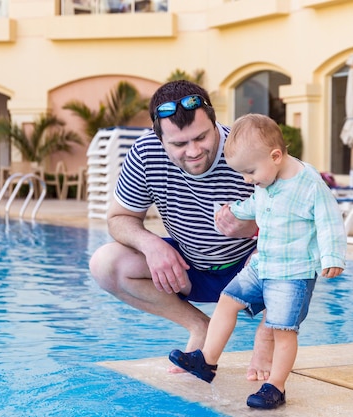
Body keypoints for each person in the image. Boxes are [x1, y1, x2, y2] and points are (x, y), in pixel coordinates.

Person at [88, 80, 275, 380]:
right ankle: (199, 327)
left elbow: (302, 218)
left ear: (215, 123)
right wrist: (151, 244)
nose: (194, 151)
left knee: (295, 256)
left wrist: (256, 231)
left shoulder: (246, 148)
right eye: (179, 144)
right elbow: (119, 218)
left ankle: (266, 338)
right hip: (191, 268)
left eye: (201, 137)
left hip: (253, 269)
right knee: (105, 264)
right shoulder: (146, 154)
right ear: (159, 139)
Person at [169, 113, 346, 409]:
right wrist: (235, 211)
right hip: (262, 264)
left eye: (250, 172)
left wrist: (332, 256)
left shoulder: (309, 184)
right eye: (243, 174)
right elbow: (255, 204)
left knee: (283, 331)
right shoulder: (265, 180)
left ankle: (275, 387)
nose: (247, 180)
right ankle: (207, 362)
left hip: (292, 274)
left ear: (276, 156)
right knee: (228, 300)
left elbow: (329, 221)